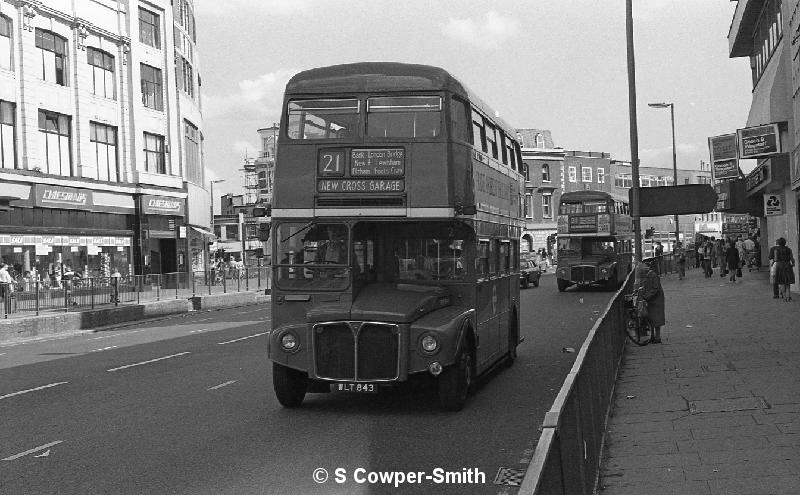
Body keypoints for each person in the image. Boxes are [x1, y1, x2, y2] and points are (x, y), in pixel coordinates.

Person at [634, 261, 665, 343]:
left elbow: (655, 289)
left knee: (657, 319)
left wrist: (646, 296)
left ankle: (657, 338)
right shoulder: (647, 276)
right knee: (651, 319)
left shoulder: (653, 276)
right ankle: (652, 337)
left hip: (656, 300)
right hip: (651, 300)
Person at [770, 237, 796, 301]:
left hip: (779, 266)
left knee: (781, 282)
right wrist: (793, 263)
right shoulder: (789, 249)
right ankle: (788, 296)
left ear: (778, 243)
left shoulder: (776, 250)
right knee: (787, 282)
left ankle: (784, 297)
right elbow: (792, 258)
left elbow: (775, 259)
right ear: (785, 242)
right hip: (787, 265)